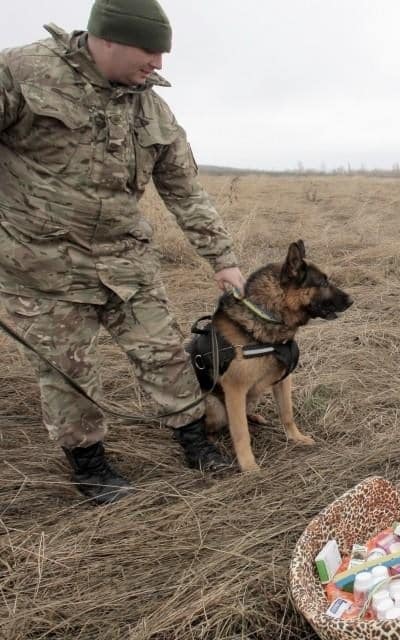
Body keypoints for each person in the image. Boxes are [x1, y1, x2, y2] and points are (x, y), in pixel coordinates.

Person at [0, 0, 245, 504]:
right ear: (106, 38)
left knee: (165, 354)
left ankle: (195, 443)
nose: (159, 64)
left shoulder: (151, 107)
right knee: (68, 371)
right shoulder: (23, 72)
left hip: (125, 262)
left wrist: (222, 259)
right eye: (150, 51)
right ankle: (90, 468)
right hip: (41, 267)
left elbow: (184, 189)